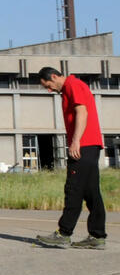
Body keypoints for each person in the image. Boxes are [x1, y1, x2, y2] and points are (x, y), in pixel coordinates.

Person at [35, 67, 107, 249]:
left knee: (73, 188)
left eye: (48, 85)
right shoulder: (71, 87)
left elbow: (82, 112)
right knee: (91, 193)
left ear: (53, 76)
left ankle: (64, 233)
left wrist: (75, 142)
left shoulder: (72, 85)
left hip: (83, 146)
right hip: (91, 146)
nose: (49, 90)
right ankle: (97, 236)